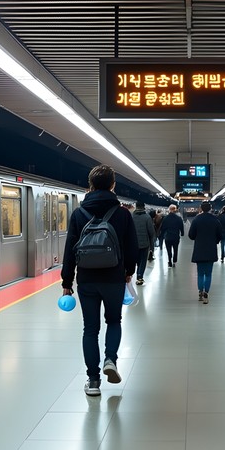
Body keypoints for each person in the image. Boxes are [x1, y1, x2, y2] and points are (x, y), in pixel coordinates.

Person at [61, 165, 139, 396]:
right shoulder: (123, 214)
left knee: (90, 329)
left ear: (91, 185)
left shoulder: (78, 213)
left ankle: (93, 381)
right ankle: (110, 360)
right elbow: (132, 248)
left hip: (86, 280)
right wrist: (129, 272)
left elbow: (69, 251)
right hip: (114, 278)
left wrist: (67, 282)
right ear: (113, 185)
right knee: (114, 321)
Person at [188, 200, 223, 303]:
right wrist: (215, 241)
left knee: (200, 273)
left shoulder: (196, 220)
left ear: (201, 208)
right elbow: (220, 235)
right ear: (210, 208)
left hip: (199, 249)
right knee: (208, 273)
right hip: (211, 249)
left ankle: (200, 292)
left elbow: (191, 235)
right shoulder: (215, 220)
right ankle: (206, 293)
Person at [132, 201, 156, 285]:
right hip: (144, 243)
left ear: (136, 207)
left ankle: (132, 274)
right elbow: (151, 232)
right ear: (144, 207)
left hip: (133, 243)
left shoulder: (131, 216)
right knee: (142, 261)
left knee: (135, 260)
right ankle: (140, 277)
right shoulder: (147, 217)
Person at [160, 204, 185, 268]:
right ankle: (174, 260)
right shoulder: (178, 218)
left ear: (169, 209)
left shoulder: (165, 218)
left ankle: (169, 261)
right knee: (175, 249)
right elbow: (181, 227)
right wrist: (182, 233)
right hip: (176, 237)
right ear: (175, 209)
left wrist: (162, 235)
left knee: (169, 250)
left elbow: (163, 228)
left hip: (168, 237)